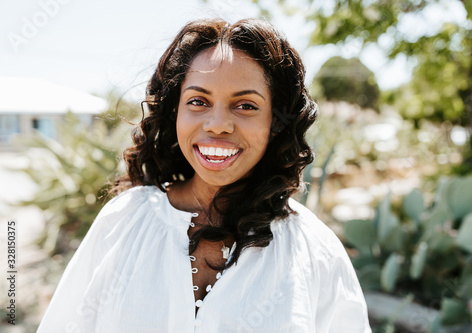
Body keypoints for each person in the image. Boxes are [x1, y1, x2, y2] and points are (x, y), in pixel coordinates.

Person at [37, 18, 371, 332]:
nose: (217, 124)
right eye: (198, 101)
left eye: (246, 106)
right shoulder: (124, 221)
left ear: (276, 124)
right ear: (175, 111)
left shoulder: (314, 250)